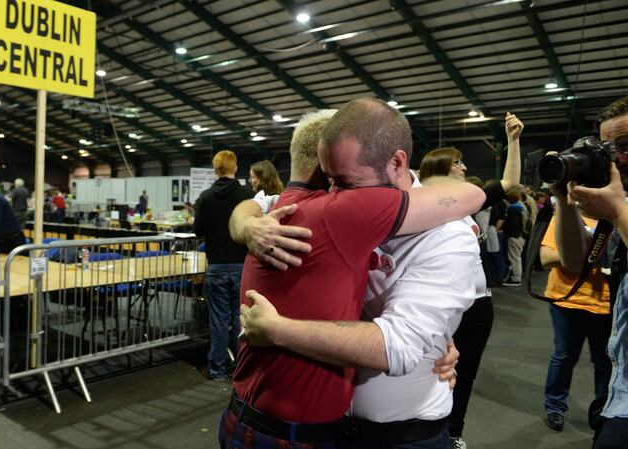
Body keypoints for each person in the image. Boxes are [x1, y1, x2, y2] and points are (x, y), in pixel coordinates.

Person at [221, 100, 485, 448]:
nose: (333, 194)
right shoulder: (327, 209)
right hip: (327, 431)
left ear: (397, 163)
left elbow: (400, 346)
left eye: (344, 181)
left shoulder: (447, 234)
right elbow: (261, 203)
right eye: (329, 180)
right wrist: (247, 225)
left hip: (398, 437)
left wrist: (278, 330)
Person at [417, 113, 523, 448]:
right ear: (439, 167)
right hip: (444, 305)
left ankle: (455, 432)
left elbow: (509, 184)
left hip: (479, 303)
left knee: (466, 372)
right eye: (458, 163)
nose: (464, 168)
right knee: (436, 370)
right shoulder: (420, 206)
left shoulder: (468, 203)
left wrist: (514, 141)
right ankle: (431, 431)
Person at [550, 95, 628, 449]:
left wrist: (617, 212)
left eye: (626, 146)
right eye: (609, 148)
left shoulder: (619, 209)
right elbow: (573, 260)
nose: (617, 159)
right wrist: (564, 201)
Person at [539, 214, 611, 432]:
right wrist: (584, 254)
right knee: (564, 356)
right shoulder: (566, 217)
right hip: (566, 301)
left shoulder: (617, 217)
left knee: (606, 361)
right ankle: (555, 406)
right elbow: (545, 258)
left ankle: (605, 412)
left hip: (607, 303)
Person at [194, 150, 255, 382]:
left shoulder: (206, 197)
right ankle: (241, 367)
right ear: (235, 167)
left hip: (217, 267)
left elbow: (198, 230)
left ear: (215, 169)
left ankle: (217, 369)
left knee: (218, 321)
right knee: (239, 319)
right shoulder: (248, 196)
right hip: (242, 266)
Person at [502, 188, 528, 287]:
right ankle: (517, 277)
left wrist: (504, 226)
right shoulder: (521, 207)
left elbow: (513, 224)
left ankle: (516, 279)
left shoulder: (513, 209)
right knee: (517, 257)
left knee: (514, 258)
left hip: (514, 236)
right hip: (521, 236)